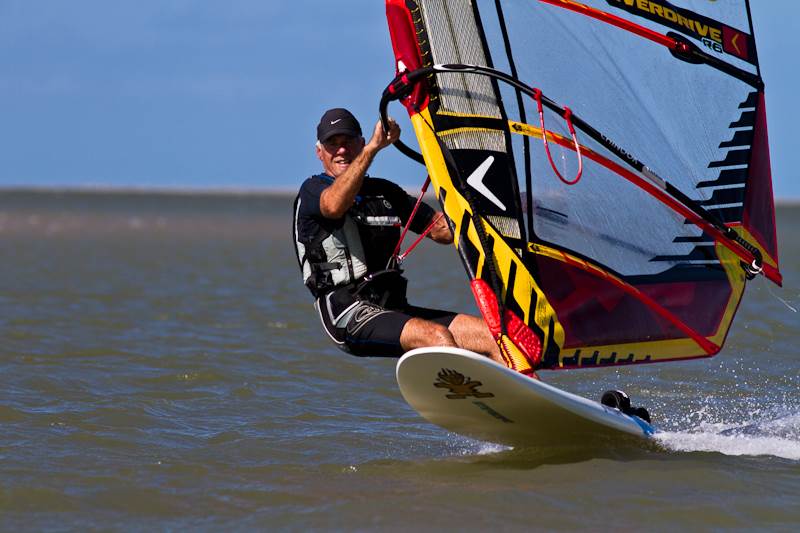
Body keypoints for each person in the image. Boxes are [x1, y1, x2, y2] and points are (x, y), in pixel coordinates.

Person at [293, 108, 501, 363]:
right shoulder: (313, 190)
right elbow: (334, 205)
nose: (342, 150)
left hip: (393, 308)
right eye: (333, 144)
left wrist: (488, 202)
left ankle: (522, 387)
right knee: (436, 337)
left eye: (348, 141)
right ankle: (463, 387)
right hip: (348, 313)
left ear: (359, 142)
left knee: (495, 337)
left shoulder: (385, 192)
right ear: (320, 152)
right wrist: (373, 148)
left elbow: (443, 231)